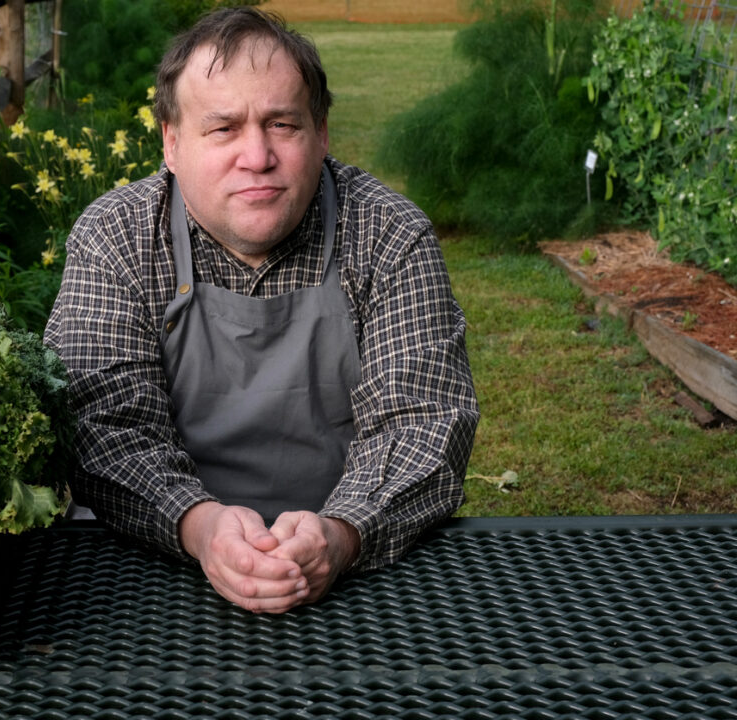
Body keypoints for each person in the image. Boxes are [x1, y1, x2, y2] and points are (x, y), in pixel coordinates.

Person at [44, 7, 479, 614]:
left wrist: (341, 533)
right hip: (152, 569)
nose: (257, 155)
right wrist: (199, 526)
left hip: (363, 564)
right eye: (223, 128)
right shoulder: (117, 237)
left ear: (321, 132)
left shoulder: (387, 234)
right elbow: (103, 426)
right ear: (171, 141)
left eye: (282, 124)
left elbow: (427, 421)